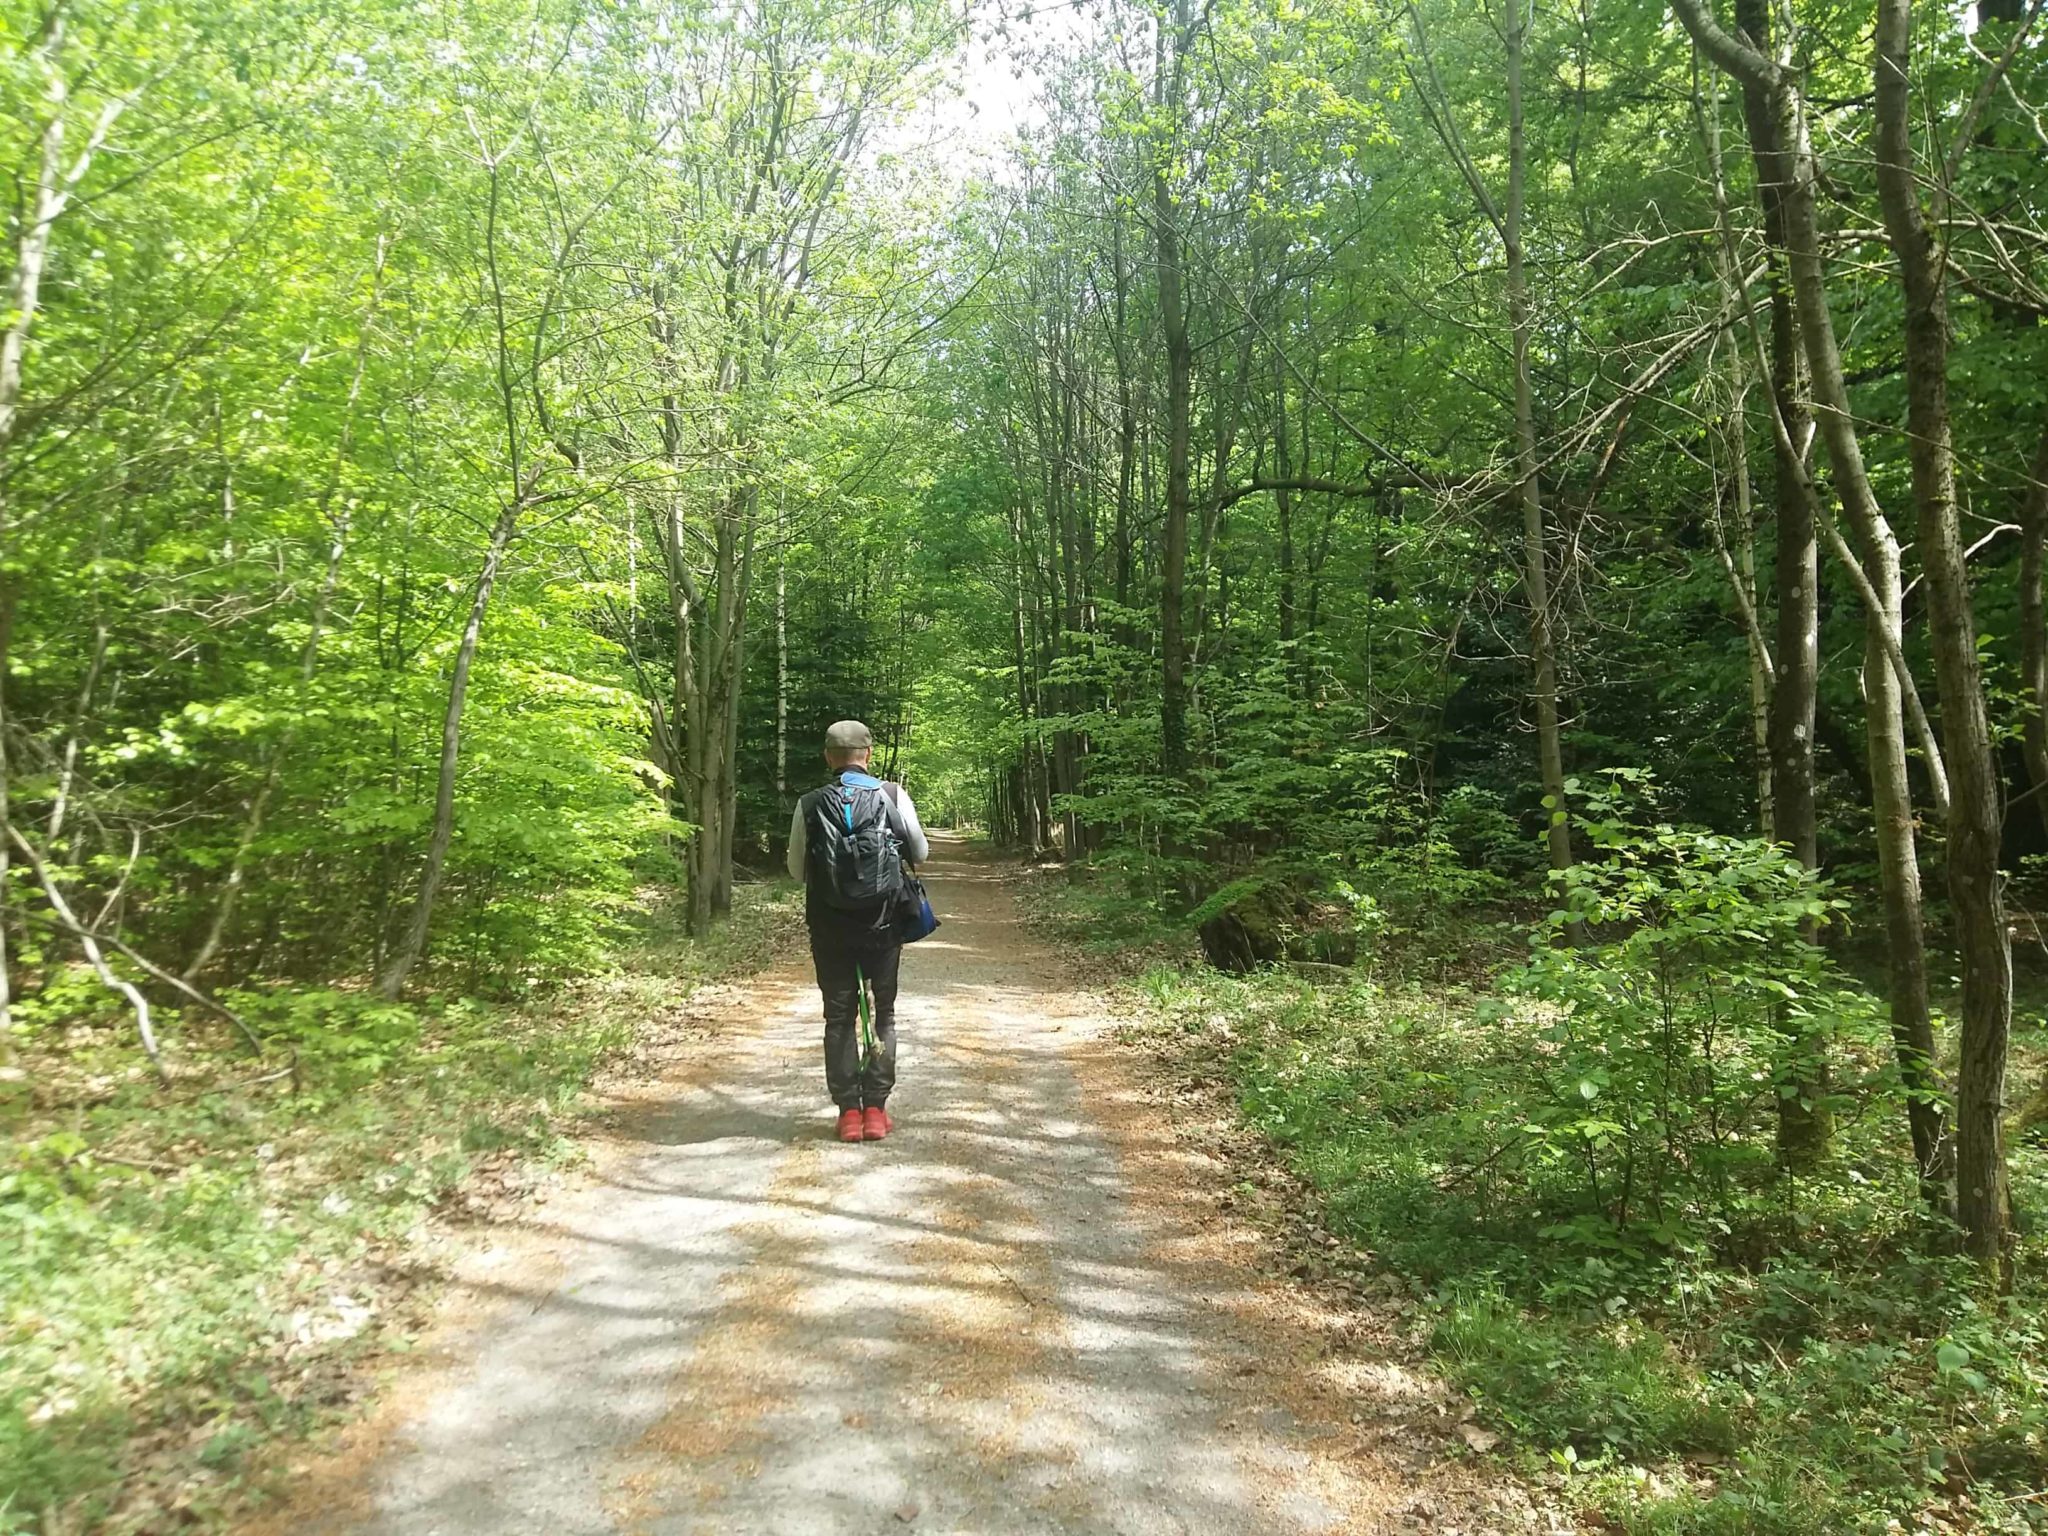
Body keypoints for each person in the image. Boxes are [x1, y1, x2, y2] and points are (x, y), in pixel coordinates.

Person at [785, 719, 929, 1143]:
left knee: (839, 1016)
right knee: (883, 1013)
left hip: (829, 928)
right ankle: (876, 1112)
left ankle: (848, 1112)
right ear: (867, 754)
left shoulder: (809, 803)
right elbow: (919, 851)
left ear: (829, 757)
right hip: (883, 925)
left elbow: (796, 871)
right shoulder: (891, 795)